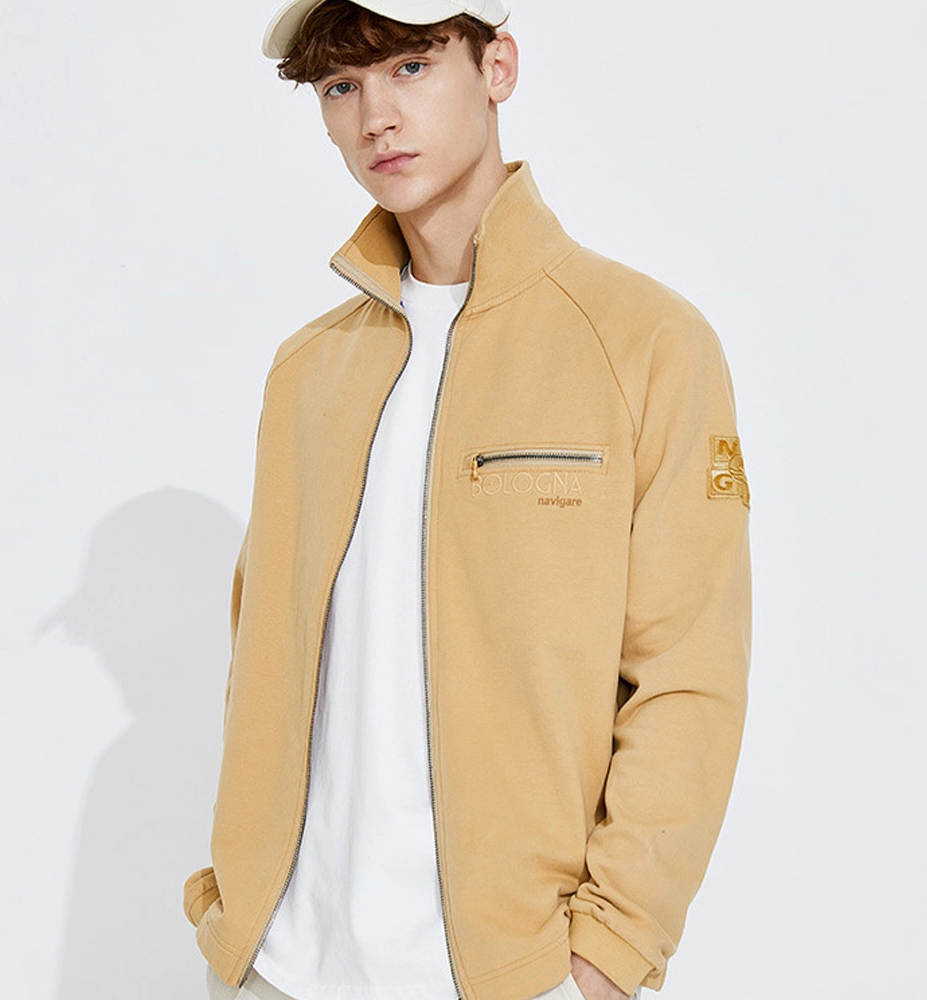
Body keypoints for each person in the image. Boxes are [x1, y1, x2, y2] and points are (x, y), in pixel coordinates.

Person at [183, 2, 752, 999]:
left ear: (498, 68)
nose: (376, 117)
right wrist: (233, 909)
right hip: (284, 961)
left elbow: (688, 675)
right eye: (342, 86)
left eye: (410, 66)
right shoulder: (307, 372)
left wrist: (608, 952)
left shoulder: (647, 343)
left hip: (509, 973)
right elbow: (261, 652)